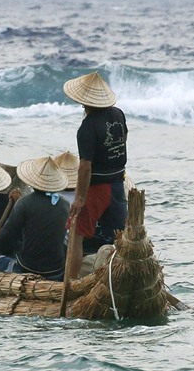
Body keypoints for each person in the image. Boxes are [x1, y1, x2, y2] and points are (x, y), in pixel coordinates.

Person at [63, 71, 128, 279]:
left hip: (97, 187)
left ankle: (71, 283)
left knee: (76, 234)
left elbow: (85, 167)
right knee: (120, 238)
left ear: (84, 103)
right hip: (118, 183)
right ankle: (120, 277)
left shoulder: (87, 127)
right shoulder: (118, 114)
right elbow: (124, 138)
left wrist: (80, 198)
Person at [0, 156, 69, 281]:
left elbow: (7, 234)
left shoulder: (25, 203)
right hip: (56, 271)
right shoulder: (65, 205)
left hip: (28, 269)